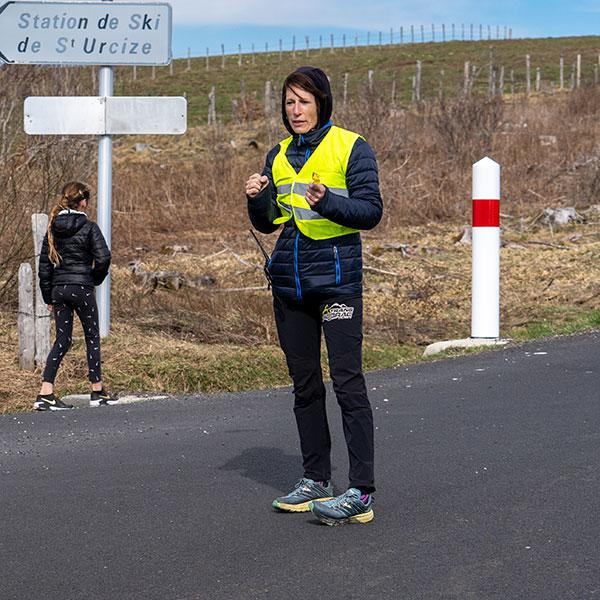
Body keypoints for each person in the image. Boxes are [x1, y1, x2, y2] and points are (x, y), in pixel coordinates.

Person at [245, 66, 383, 526]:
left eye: (304, 101)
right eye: (289, 102)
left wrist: (328, 202)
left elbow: (370, 212)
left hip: (338, 282)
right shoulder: (278, 155)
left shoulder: (351, 146)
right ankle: (316, 481)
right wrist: (257, 199)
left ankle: (360, 491)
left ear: (322, 102)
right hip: (291, 285)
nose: (296, 110)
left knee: (347, 382)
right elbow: (270, 222)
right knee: (305, 387)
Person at [34, 181, 117, 411]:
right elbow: (104, 258)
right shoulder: (89, 227)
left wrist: (48, 296)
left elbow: (44, 266)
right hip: (81, 288)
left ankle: (45, 394)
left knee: (62, 340)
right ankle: (97, 391)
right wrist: (93, 279)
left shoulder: (52, 227)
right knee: (91, 337)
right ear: (83, 202)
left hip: (59, 290)